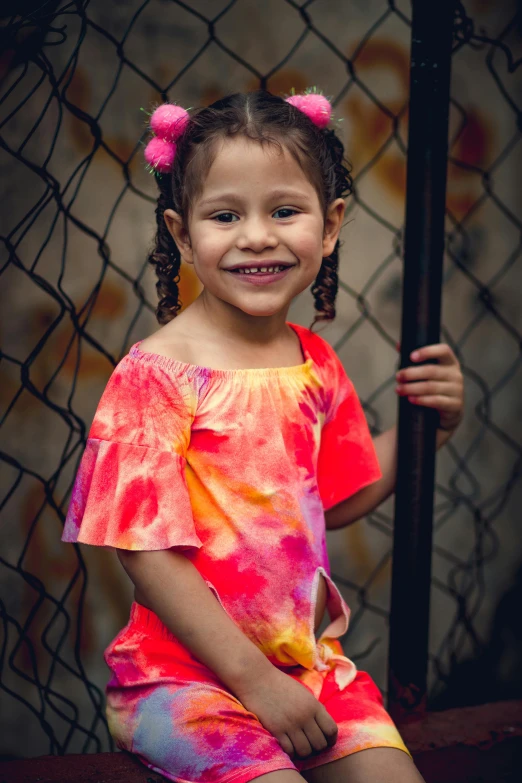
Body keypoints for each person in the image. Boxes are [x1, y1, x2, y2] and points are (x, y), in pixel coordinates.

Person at [62, 89, 464, 783]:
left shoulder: (315, 362)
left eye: (284, 210)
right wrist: (256, 683)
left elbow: (332, 499)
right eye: (225, 215)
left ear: (330, 224)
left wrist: (432, 427)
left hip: (310, 669)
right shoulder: (156, 378)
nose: (256, 235)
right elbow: (145, 555)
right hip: (186, 686)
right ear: (183, 236)